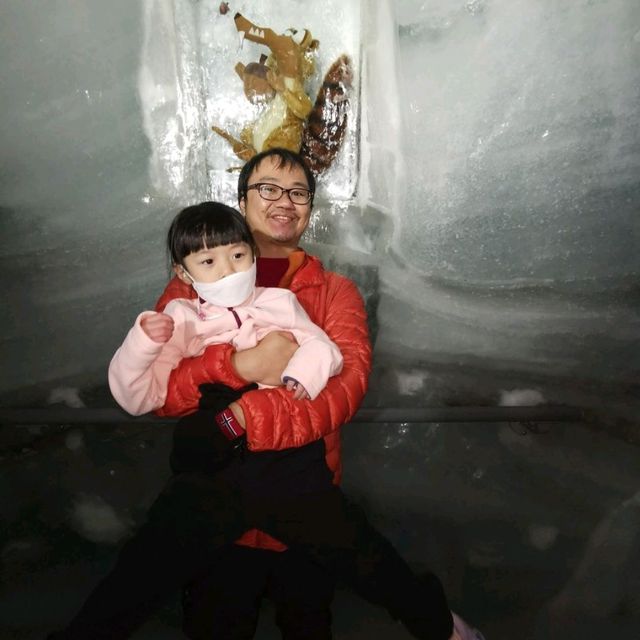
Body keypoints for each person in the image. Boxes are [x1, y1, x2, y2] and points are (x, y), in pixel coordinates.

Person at [154, 149, 482, 640]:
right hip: (219, 513)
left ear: (310, 206)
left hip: (307, 503)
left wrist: (246, 417)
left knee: (307, 625)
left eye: (298, 193)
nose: (284, 202)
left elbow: (347, 386)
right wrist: (238, 365)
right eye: (267, 188)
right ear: (242, 200)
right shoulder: (191, 284)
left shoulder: (334, 291)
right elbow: (160, 392)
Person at [108, 201, 344, 418]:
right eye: (208, 261)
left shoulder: (280, 301)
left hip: (283, 424)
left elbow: (323, 346)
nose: (228, 270)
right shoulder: (182, 318)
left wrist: (305, 374)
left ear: (254, 253)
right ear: (183, 273)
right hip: (217, 442)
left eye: (238, 255)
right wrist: (142, 342)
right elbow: (140, 399)